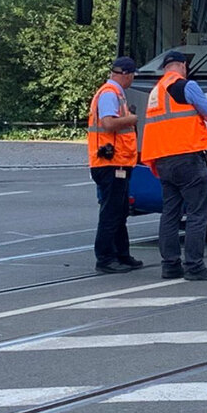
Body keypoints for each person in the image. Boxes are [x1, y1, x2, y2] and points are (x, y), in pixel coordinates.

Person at [141, 50, 207, 281]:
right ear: (183, 66)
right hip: (187, 157)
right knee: (197, 213)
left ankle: (170, 265)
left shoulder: (155, 92)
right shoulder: (186, 86)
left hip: (163, 160)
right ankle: (195, 266)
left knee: (170, 213)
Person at [88, 56, 142, 274]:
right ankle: (105, 258)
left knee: (119, 211)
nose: (132, 80)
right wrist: (131, 119)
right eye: (132, 76)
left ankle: (121, 254)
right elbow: (108, 123)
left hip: (115, 161)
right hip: (110, 163)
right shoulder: (110, 94)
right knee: (112, 211)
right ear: (126, 74)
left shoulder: (114, 93)